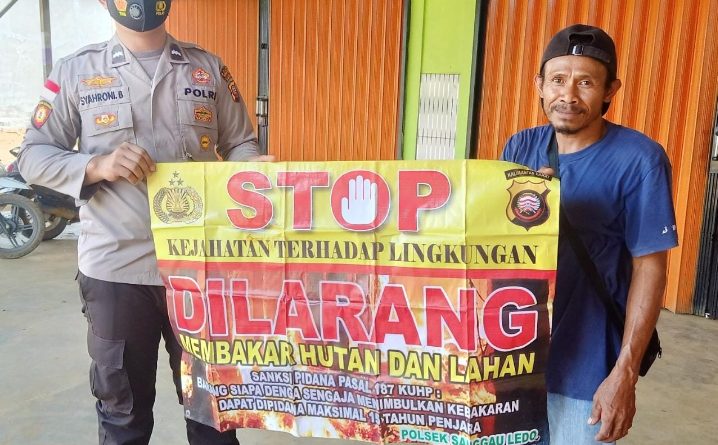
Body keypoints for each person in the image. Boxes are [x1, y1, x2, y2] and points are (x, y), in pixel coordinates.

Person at [18, 1, 269, 443]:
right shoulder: (77, 71)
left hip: (200, 270)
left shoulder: (207, 69)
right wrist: (96, 165)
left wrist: (250, 172)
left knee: (213, 413)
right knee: (124, 417)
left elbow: (240, 143)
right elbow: (33, 155)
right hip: (117, 270)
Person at [500, 24, 678, 444]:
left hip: (587, 371)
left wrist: (624, 374)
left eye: (586, 82)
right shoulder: (520, 147)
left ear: (610, 89)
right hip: (514, 362)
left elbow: (650, 268)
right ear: (539, 85)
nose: (568, 95)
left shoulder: (640, 160)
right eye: (558, 80)